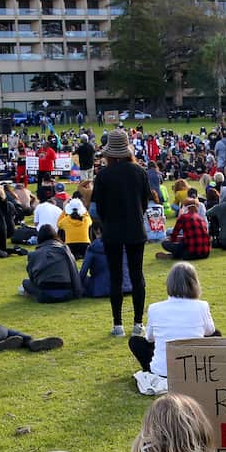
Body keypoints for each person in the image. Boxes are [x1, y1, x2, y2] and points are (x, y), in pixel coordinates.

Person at [91, 129, 150, 338]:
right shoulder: (140, 171)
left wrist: (108, 222)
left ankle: (117, 324)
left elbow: (98, 208)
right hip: (135, 228)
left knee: (115, 277)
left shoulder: (103, 175)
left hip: (112, 230)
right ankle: (138, 323)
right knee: (137, 276)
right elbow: (144, 203)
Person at [129, 262, 216, 377]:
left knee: (136, 342)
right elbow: (210, 331)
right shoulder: (202, 306)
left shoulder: (155, 308)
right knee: (216, 335)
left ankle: (154, 366)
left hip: (163, 371)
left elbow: (149, 338)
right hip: (194, 371)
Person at [22, 225, 83, 303]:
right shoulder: (65, 250)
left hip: (45, 295)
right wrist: (78, 292)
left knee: (25, 282)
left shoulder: (33, 254)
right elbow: (74, 272)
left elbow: (32, 278)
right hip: (67, 294)